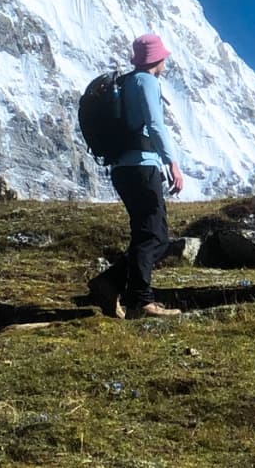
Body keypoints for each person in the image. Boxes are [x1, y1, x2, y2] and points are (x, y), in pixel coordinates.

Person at [87, 34, 186, 319]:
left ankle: (110, 284)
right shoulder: (147, 82)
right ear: (158, 58)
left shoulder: (127, 82)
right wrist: (172, 163)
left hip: (122, 168)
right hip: (142, 166)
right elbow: (155, 124)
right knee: (154, 236)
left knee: (148, 234)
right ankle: (141, 301)